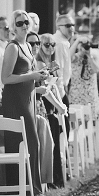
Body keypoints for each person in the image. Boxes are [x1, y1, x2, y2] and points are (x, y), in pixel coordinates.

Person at [1, 10, 47, 196]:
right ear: (13, 26)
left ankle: (32, 188)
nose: (24, 26)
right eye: (19, 23)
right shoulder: (12, 47)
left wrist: (40, 75)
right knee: (22, 142)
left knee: (32, 143)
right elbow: (5, 78)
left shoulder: (28, 46)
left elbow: (30, 73)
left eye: (26, 22)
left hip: (28, 98)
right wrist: (32, 76)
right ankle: (23, 189)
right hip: (15, 100)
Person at [34, 33, 67, 187]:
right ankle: (51, 179)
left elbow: (56, 85)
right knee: (50, 143)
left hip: (55, 100)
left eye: (53, 45)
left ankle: (57, 177)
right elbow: (46, 88)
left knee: (57, 141)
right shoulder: (40, 63)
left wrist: (61, 102)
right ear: (40, 45)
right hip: (46, 104)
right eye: (46, 45)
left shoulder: (52, 62)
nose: (50, 48)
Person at [67, 34, 99, 120]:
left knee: (91, 124)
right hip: (76, 95)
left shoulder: (94, 57)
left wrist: (89, 56)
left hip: (90, 96)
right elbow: (68, 57)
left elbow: (96, 69)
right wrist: (78, 41)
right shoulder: (75, 57)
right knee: (76, 122)